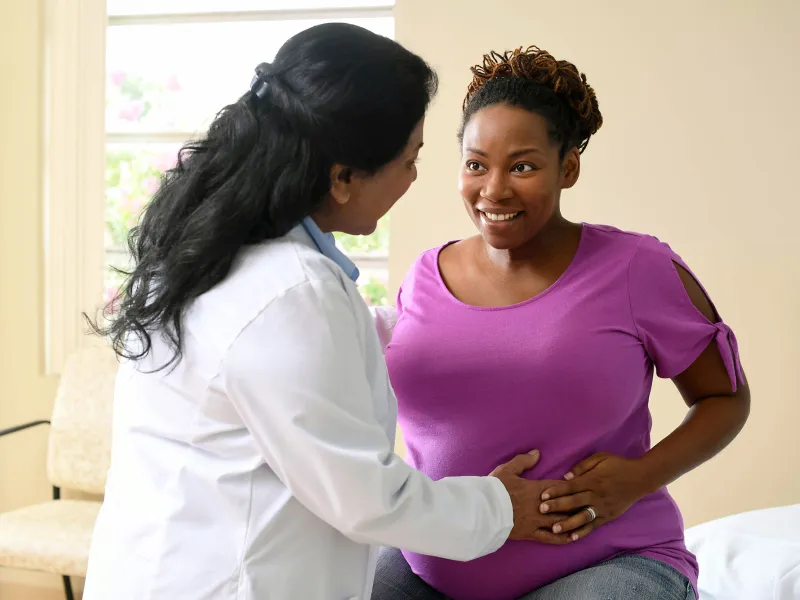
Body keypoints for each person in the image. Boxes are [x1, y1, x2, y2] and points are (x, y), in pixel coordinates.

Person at [82, 26, 578, 600]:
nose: (414, 178)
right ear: (343, 177)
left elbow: (279, 375)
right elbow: (366, 497)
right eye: (410, 159)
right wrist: (499, 508)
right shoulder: (292, 293)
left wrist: (431, 318)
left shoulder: (203, 253)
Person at [372, 46, 750, 600]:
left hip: (606, 565)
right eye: (476, 164)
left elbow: (725, 399)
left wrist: (639, 478)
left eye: (522, 165)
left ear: (567, 167)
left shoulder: (636, 268)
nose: (494, 189)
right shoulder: (426, 274)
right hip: (430, 567)